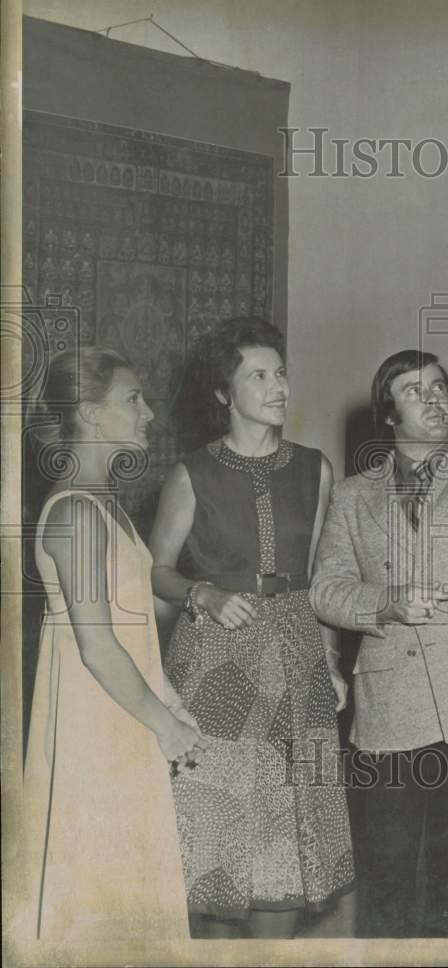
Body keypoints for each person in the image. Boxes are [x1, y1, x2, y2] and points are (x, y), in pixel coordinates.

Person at [309, 349, 448, 937]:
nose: (432, 398)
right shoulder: (354, 496)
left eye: (439, 387)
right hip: (390, 708)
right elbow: (325, 589)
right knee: (388, 872)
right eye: (413, 390)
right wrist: (383, 604)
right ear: (387, 414)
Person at [149, 317, 354, 940]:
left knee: (291, 836)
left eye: (281, 372)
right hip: (217, 662)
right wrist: (203, 593)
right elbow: (154, 571)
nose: (278, 386)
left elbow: (320, 577)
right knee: (220, 831)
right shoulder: (192, 474)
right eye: (258, 375)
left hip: (296, 656)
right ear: (223, 393)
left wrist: (332, 663)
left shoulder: (315, 469)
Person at [23, 345, 205, 943]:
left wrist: (171, 702)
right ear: (92, 414)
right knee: (97, 897)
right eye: (133, 399)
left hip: (127, 716)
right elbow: (99, 649)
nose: (148, 413)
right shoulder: (75, 513)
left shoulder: (109, 509)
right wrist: (166, 724)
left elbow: (137, 629)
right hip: (97, 726)